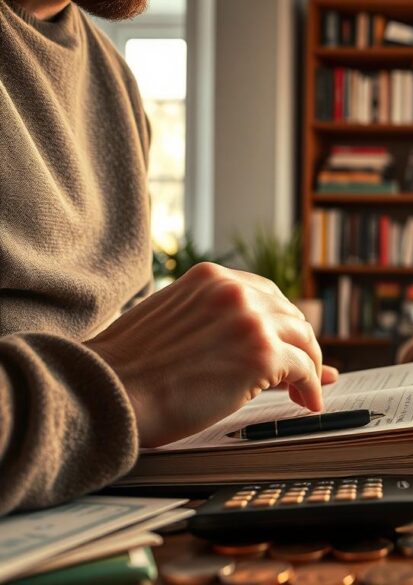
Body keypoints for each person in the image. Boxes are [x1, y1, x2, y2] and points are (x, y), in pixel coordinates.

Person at [0, 0, 335, 516]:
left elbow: (116, 320)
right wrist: (120, 383)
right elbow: (119, 377)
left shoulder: (113, 78)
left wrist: (192, 365)